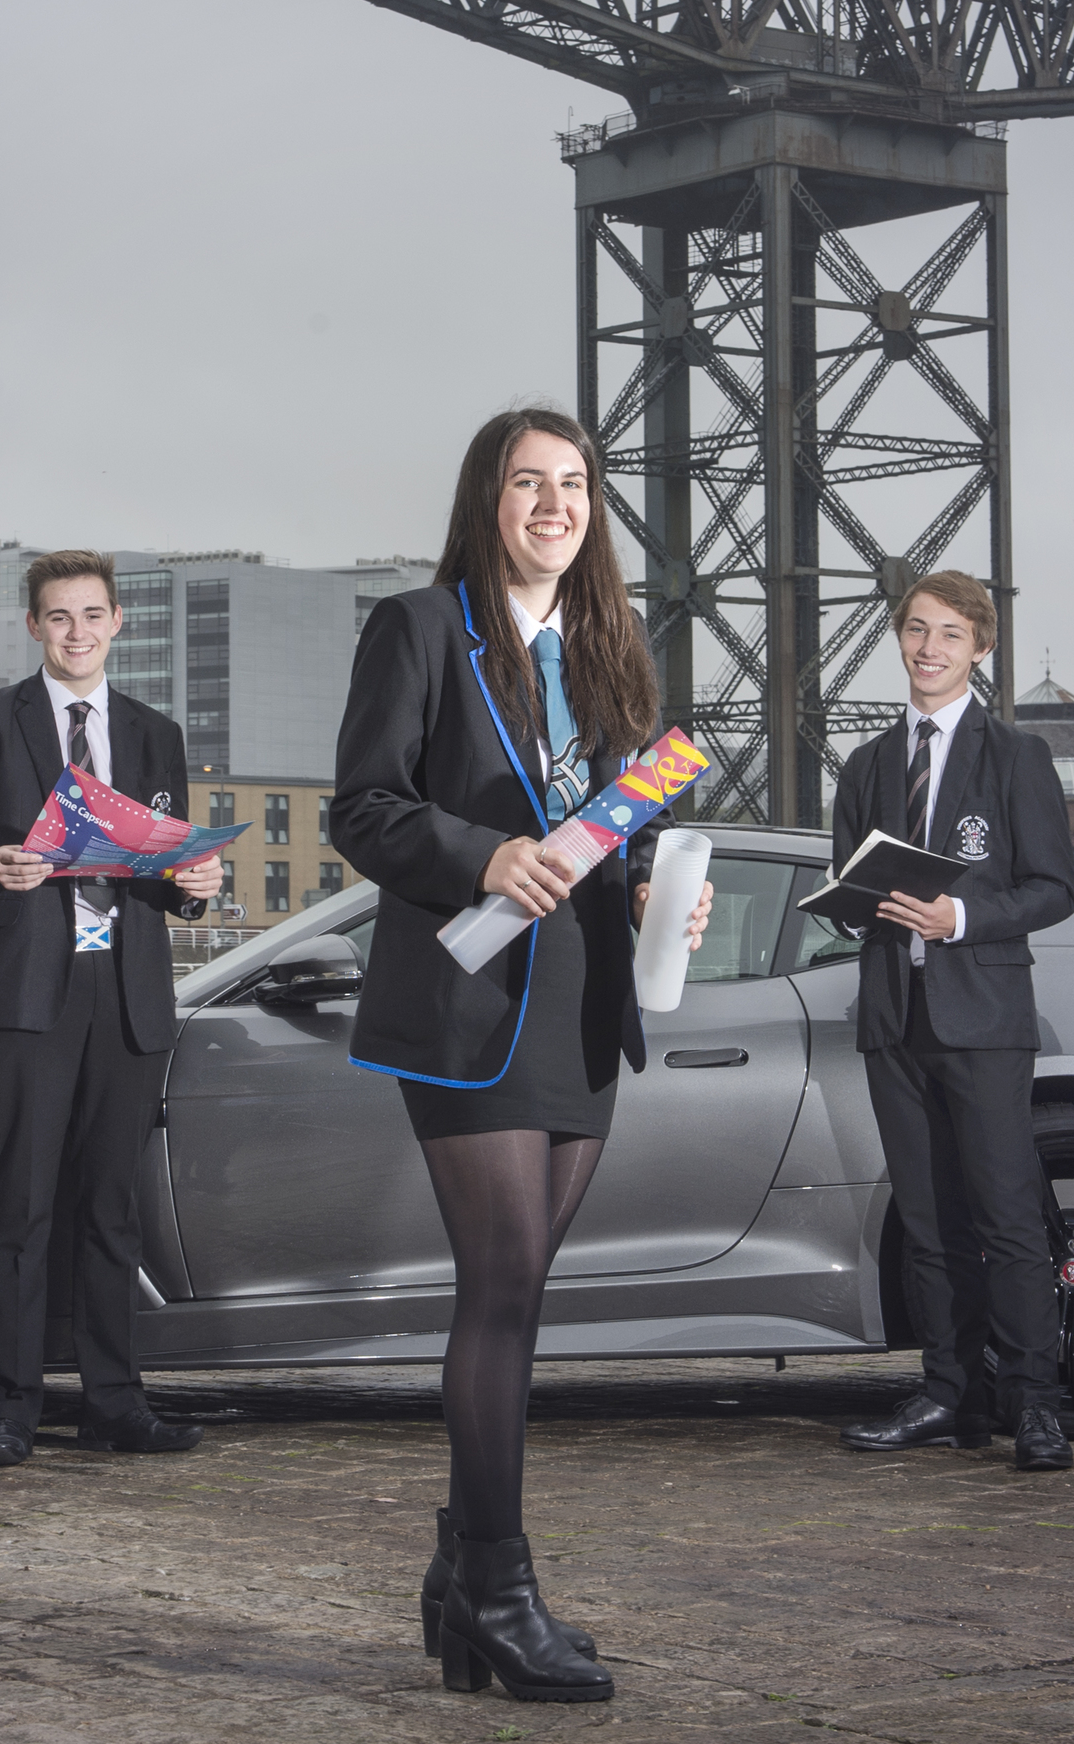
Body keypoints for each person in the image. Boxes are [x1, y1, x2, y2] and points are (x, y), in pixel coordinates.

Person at [333, 408, 709, 1705]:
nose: (553, 503)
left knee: (521, 1298)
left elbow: (619, 827)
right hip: (467, 1011)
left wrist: (663, 892)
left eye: (573, 484)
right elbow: (362, 809)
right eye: (526, 482)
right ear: (486, 499)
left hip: (583, 1008)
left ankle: (456, 1576)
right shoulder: (420, 631)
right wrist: (479, 855)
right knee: (498, 1287)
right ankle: (497, 1589)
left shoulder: (609, 647)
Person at [0, 550, 225, 1468]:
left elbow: (175, 867)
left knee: (112, 1212)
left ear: (117, 625)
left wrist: (199, 886)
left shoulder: (155, 734)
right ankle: (11, 1408)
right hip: (28, 993)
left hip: (128, 995)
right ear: (34, 625)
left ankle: (114, 1404)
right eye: (59, 617)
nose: (77, 632)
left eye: (92, 615)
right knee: (19, 1209)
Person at [819, 569, 1074, 1471]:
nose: (928, 650)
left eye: (949, 636)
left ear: (980, 650)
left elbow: (1053, 891)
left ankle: (1035, 1406)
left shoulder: (1017, 760)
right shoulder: (866, 766)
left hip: (985, 1018)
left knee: (1008, 1217)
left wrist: (959, 917)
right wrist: (852, 907)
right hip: (896, 1019)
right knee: (927, 1223)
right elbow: (848, 894)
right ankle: (946, 1395)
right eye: (916, 631)